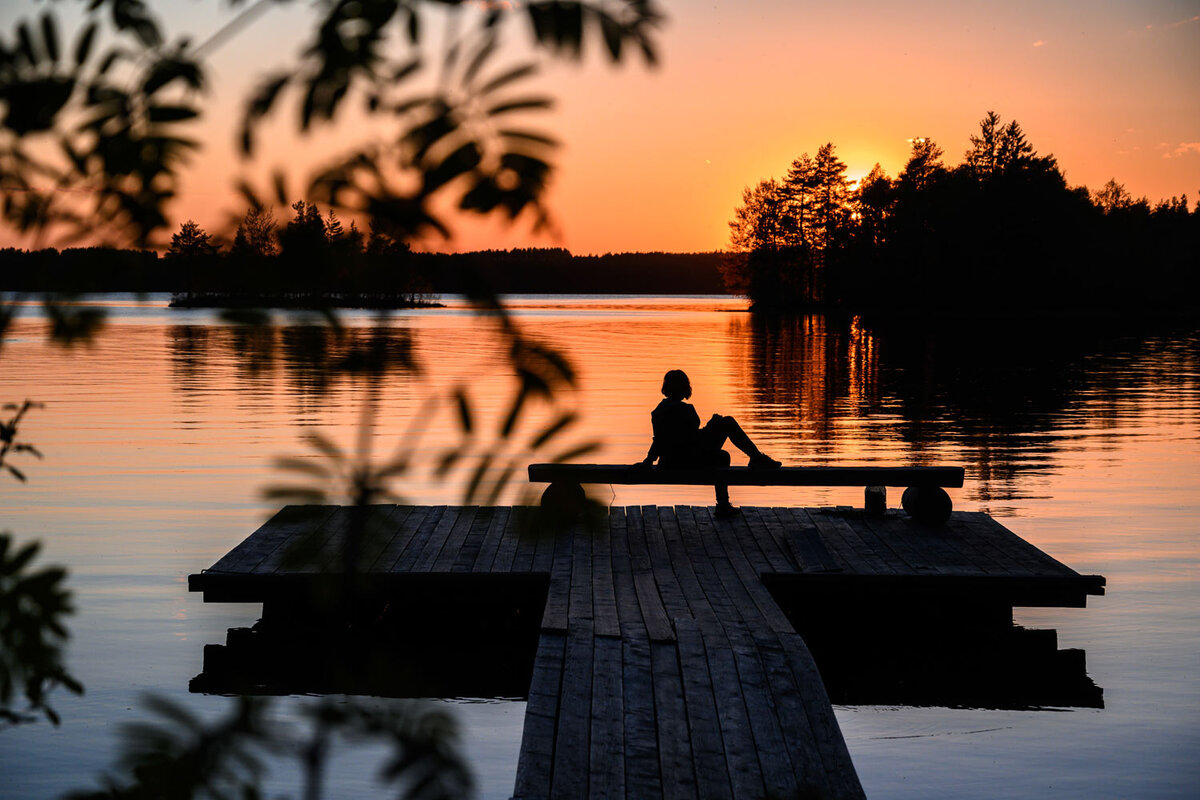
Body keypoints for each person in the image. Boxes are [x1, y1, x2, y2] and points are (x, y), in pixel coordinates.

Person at [639, 369, 780, 517]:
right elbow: (690, 439)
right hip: (687, 459)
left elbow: (661, 439)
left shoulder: (659, 410)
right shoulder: (685, 409)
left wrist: (649, 460)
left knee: (722, 451)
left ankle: (726, 502)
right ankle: (755, 459)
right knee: (727, 427)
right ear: (684, 388)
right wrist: (711, 426)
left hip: (670, 460)